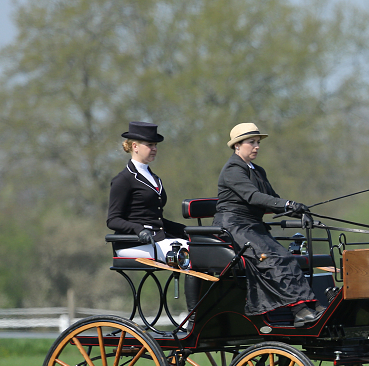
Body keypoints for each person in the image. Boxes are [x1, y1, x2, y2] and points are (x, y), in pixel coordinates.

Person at [213, 122, 325, 327]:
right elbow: (253, 196)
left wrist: (293, 209)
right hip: (234, 226)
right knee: (273, 258)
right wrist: (287, 204)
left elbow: (271, 199)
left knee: (287, 257)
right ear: (237, 146)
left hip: (253, 227)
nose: (256, 146)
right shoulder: (232, 170)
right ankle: (299, 309)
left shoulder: (257, 170)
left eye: (257, 142)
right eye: (251, 142)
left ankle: (311, 302)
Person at [107, 121, 188, 261]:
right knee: (188, 255)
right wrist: (138, 229)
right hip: (133, 244)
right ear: (135, 146)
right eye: (150, 145)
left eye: (155, 145)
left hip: (158, 239)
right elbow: (113, 220)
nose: (155, 148)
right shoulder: (123, 180)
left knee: (202, 248)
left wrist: (188, 231)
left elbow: (156, 219)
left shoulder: (154, 178)